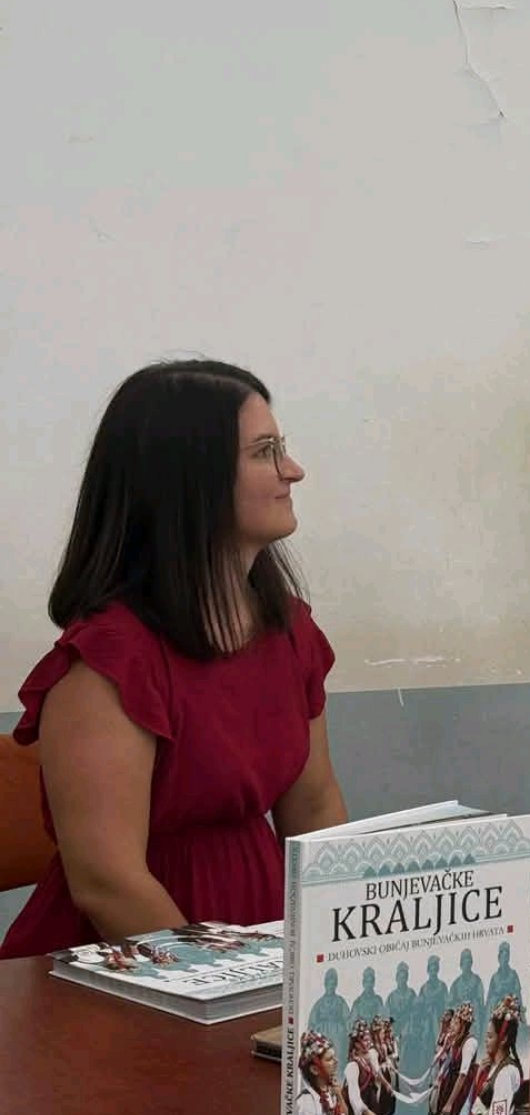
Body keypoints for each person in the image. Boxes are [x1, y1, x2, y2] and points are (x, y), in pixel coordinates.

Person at [0, 360, 348, 959]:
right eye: (264, 452)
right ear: (191, 479)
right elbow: (107, 883)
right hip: (133, 959)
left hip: (258, 938)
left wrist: (344, 948)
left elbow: (314, 808)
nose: (292, 470)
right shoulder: (110, 660)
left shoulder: (290, 632)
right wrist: (222, 978)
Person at [467, 996, 526, 1115]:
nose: (485, 1040)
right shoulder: (491, 1066)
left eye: (490, 1036)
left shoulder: (506, 1073)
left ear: (503, 1039)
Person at [485, 939, 524, 1017]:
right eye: (502, 957)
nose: (504, 960)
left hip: (511, 1010)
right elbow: (489, 999)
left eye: (506, 957)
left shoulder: (513, 975)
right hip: (497, 1010)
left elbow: (518, 995)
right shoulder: (494, 977)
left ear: (508, 958)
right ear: (499, 958)